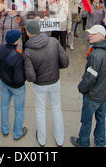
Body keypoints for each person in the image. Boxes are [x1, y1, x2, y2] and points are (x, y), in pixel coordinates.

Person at [24, 19, 69, 147]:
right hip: (55, 82)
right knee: (57, 109)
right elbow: (65, 62)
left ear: (28, 33)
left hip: (39, 85)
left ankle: (42, 139)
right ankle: (60, 139)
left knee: (40, 110)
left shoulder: (28, 51)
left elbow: (31, 76)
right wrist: (55, 68)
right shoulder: (54, 42)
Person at [70, 25, 106, 147]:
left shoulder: (96, 55)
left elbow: (90, 78)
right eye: (90, 33)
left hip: (93, 95)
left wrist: (81, 87)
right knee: (101, 118)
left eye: (93, 34)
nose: (89, 35)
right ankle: (100, 141)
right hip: (105, 93)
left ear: (101, 36)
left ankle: (83, 142)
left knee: (86, 120)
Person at [0, 30, 27, 140]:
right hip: (16, 88)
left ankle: (5, 129)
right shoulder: (18, 57)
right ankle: (17, 133)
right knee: (19, 110)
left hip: (4, 83)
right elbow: (19, 79)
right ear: (16, 42)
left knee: (4, 106)